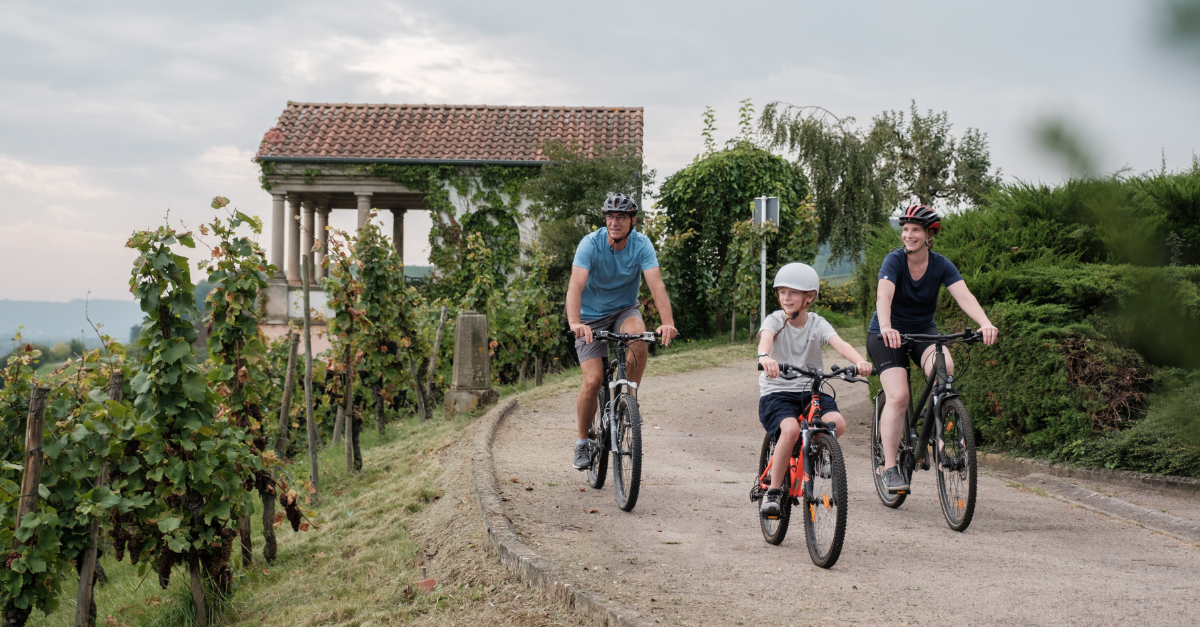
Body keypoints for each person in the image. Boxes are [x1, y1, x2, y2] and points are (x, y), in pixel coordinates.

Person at [867, 204, 998, 493]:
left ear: (929, 235)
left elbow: (965, 296)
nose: (908, 235)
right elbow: (883, 297)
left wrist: (985, 323)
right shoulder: (894, 261)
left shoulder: (941, 264)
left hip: (923, 330)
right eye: (905, 229)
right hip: (886, 333)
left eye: (915, 230)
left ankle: (931, 425)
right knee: (899, 396)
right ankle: (889, 467)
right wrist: (887, 327)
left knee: (945, 368)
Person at [567, 193, 678, 470]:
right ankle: (582, 441)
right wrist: (575, 322)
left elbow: (656, 286)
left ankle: (629, 399)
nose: (614, 222)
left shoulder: (641, 245)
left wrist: (667, 322)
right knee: (593, 381)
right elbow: (575, 286)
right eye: (610, 217)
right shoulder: (590, 244)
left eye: (621, 217)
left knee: (639, 338)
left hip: (624, 312)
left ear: (632, 220)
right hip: (589, 319)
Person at [757, 263, 872, 517]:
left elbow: (839, 343)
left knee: (837, 424)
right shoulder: (775, 320)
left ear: (809, 298)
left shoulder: (817, 324)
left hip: (811, 391)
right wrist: (765, 357)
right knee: (789, 430)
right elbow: (766, 338)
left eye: (793, 293)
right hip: (778, 393)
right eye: (782, 292)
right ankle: (774, 492)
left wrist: (858, 361)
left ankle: (817, 453)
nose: (786, 298)